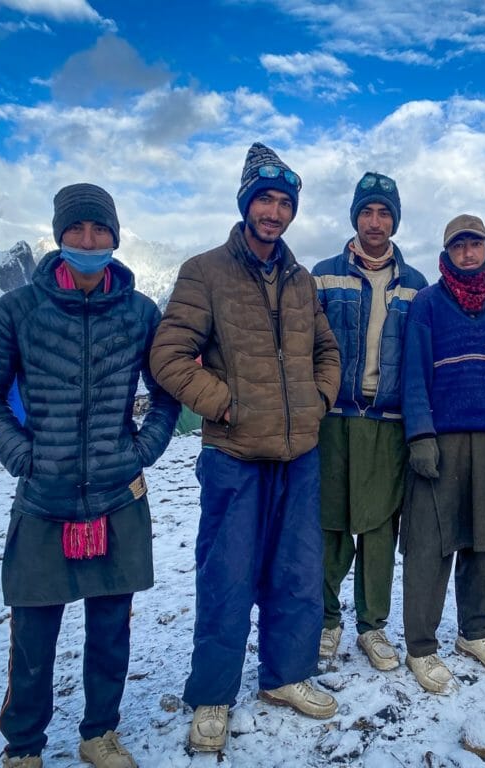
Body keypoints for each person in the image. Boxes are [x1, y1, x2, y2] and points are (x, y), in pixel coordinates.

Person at [0, 183, 179, 768]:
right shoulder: (17, 309)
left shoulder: (140, 313)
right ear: (60, 236)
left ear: (115, 235)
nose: (88, 241)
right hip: (43, 497)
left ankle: (99, 734)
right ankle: (24, 747)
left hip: (117, 495)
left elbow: (166, 394)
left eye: (99, 231)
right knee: (33, 636)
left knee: (111, 629)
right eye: (77, 231)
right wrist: (22, 456)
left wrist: (144, 450)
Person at [149, 142, 341, 754]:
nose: (275, 212)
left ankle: (286, 676)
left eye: (285, 202)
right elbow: (169, 357)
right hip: (233, 455)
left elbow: (327, 353)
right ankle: (212, 695)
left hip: (300, 452)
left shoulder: (302, 279)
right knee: (226, 576)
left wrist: (319, 400)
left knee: (297, 572)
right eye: (266, 198)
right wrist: (227, 404)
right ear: (245, 201)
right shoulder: (205, 271)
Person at [400, 214, 485, 694]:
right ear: (446, 254)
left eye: (475, 245)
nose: (467, 253)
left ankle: (476, 633)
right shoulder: (428, 304)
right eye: (458, 246)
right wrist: (420, 435)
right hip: (440, 442)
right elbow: (414, 375)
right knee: (431, 547)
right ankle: (421, 646)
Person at [311, 172, 428, 671]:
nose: (375, 222)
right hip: (334, 416)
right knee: (330, 521)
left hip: (389, 420)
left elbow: (422, 359)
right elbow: (306, 348)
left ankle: (372, 626)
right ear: (354, 217)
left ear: (395, 221)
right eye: (367, 212)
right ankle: (325, 618)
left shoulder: (416, 285)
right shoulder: (323, 275)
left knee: (380, 527)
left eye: (384, 213)